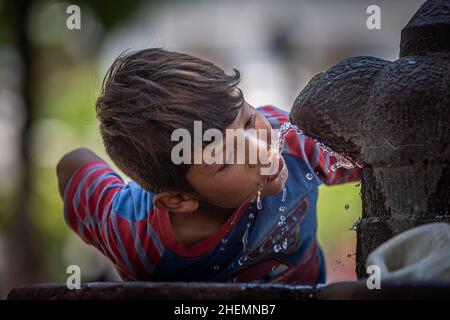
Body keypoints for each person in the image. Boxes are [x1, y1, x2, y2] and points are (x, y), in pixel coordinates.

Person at [57, 48, 359, 284]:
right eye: (226, 160)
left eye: (248, 119)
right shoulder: (134, 233)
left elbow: (376, 157)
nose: (260, 150)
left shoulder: (293, 141)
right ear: (179, 199)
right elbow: (71, 165)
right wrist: (127, 266)